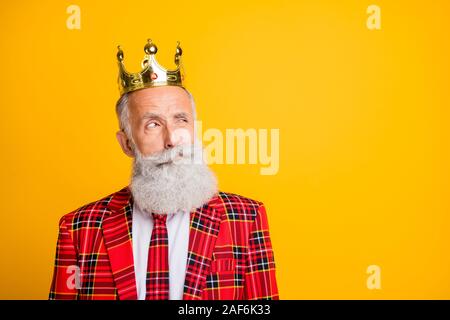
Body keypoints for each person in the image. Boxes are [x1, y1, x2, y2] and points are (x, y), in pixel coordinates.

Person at [49, 39, 279, 300]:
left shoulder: (246, 219)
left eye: (181, 120)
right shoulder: (80, 228)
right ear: (126, 143)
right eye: (153, 124)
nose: (172, 139)